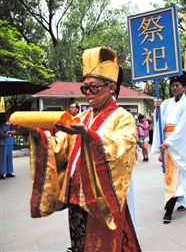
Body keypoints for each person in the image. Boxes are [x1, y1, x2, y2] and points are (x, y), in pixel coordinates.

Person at [14, 46, 141, 252]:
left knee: (102, 246)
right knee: (79, 244)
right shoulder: (82, 117)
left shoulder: (123, 117)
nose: (88, 93)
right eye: (85, 88)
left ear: (111, 88)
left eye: (93, 87)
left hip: (101, 199)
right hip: (76, 196)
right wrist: (38, 134)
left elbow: (121, 151)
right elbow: (60, 146)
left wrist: (88, 135)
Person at [151, 71, 186, 224]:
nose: (175, 88)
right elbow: (159, 121)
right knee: (174, 176)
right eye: (172, 86)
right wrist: (156, 109)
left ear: (183, 87)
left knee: (177, 177)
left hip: (179, 144)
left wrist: (170, 142)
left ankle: (168, 209)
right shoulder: (166, 103)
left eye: (177, 85)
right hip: (168, 144)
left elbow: (184, 126)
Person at [0, 113, 16, 179]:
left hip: (9, 142)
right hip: (3, 143)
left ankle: (8, 172)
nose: (7, 117)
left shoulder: (8, 125)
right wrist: (9, 133)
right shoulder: (0, 126)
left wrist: (11, 133)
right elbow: (1, 134)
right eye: (5, 116)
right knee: (2, 159)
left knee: (9, 158)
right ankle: (1, 173)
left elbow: (14, 132)